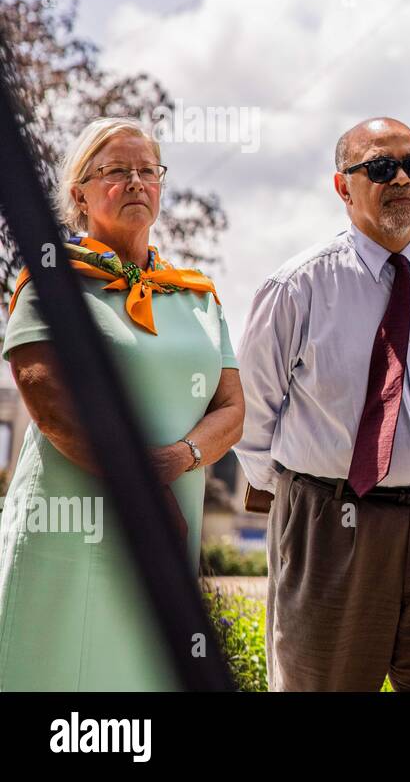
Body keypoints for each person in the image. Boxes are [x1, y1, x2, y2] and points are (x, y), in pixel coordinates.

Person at [237, 117, 410, 691]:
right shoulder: (297, 287)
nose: (402, 178)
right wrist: (305, 503)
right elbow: (251, 416)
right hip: (333, 529)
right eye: (381, 168)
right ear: (342, 186)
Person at [0, 117, 244, 690]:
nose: (136, 182)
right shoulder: (51, 281)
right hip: (68, 524)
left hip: (167, 524)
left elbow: (231, 411)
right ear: (79, 194)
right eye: (116, 171)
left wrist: (176, 459)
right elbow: (49, 402)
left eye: (147, 171)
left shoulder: (197, 295)